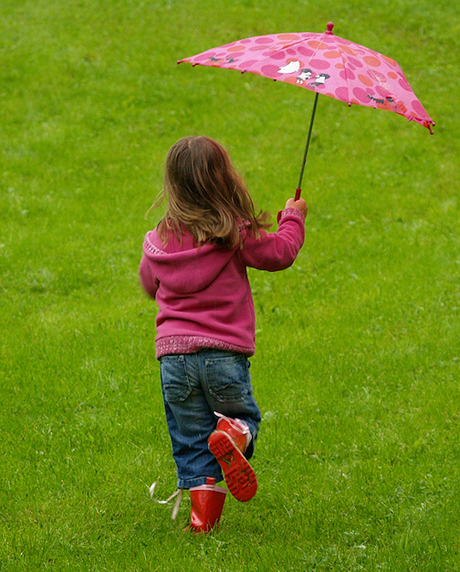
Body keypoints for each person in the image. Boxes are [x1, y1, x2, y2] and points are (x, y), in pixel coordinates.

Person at [139, 136, 307, 532]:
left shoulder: (158, 242)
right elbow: (280, 254)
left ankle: (202, 524)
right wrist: (293, 216)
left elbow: (150, 284)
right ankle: (233, 432)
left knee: (193, 441)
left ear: (173, 186)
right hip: (223, 358)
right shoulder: (233, 232)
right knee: (242, 417)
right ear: (223, 180)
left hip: (174, 362)